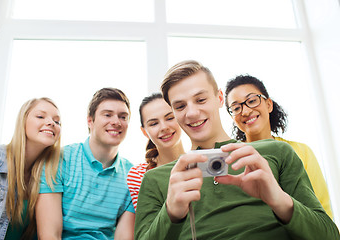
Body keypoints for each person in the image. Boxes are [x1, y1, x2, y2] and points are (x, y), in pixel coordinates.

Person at [134, 60, 340, 239]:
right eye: (180, 106)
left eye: (201, 99)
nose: (192, 113)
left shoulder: (277, 152)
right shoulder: (157, 180)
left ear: (220, 98)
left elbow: (329, 235)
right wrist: (170, 213)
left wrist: (280, 200)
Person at [224, 74, 333, 218]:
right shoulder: (232, 158)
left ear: (268, 104)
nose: (245, 111)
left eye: (251, 101)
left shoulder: (301, 151)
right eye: (236, 108)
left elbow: (322, 207)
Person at [36, 88, 135, 240]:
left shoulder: (132, 175)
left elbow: (124, 237)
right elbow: (50, 235)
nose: (116, 122)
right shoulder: (59, 159)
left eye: (123, 117)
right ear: (90, 121)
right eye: (107, 114)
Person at [0, 97, 62, 240]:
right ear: (23, 121)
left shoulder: (49, 179)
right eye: (40, 116)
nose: (51, 123)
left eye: (57, 121)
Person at [127, 93, 185, 210]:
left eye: (169, 118)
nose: (164, 127)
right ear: (144, 132)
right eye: (154, 124)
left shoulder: (200, 160)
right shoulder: (139, 175)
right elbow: (149, 223)